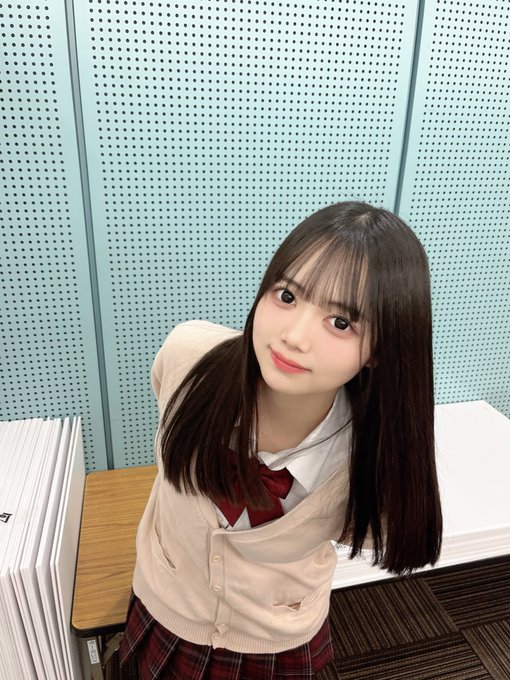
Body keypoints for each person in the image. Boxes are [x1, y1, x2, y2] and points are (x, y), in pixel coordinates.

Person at [119, 201, 443, 679]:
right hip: (165, 607)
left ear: (380, 349)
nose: (294, 336)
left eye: (341, 322)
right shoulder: (186, 359)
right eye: (287, 295)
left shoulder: (369, 459)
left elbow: (378, 531)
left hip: (277, 638)